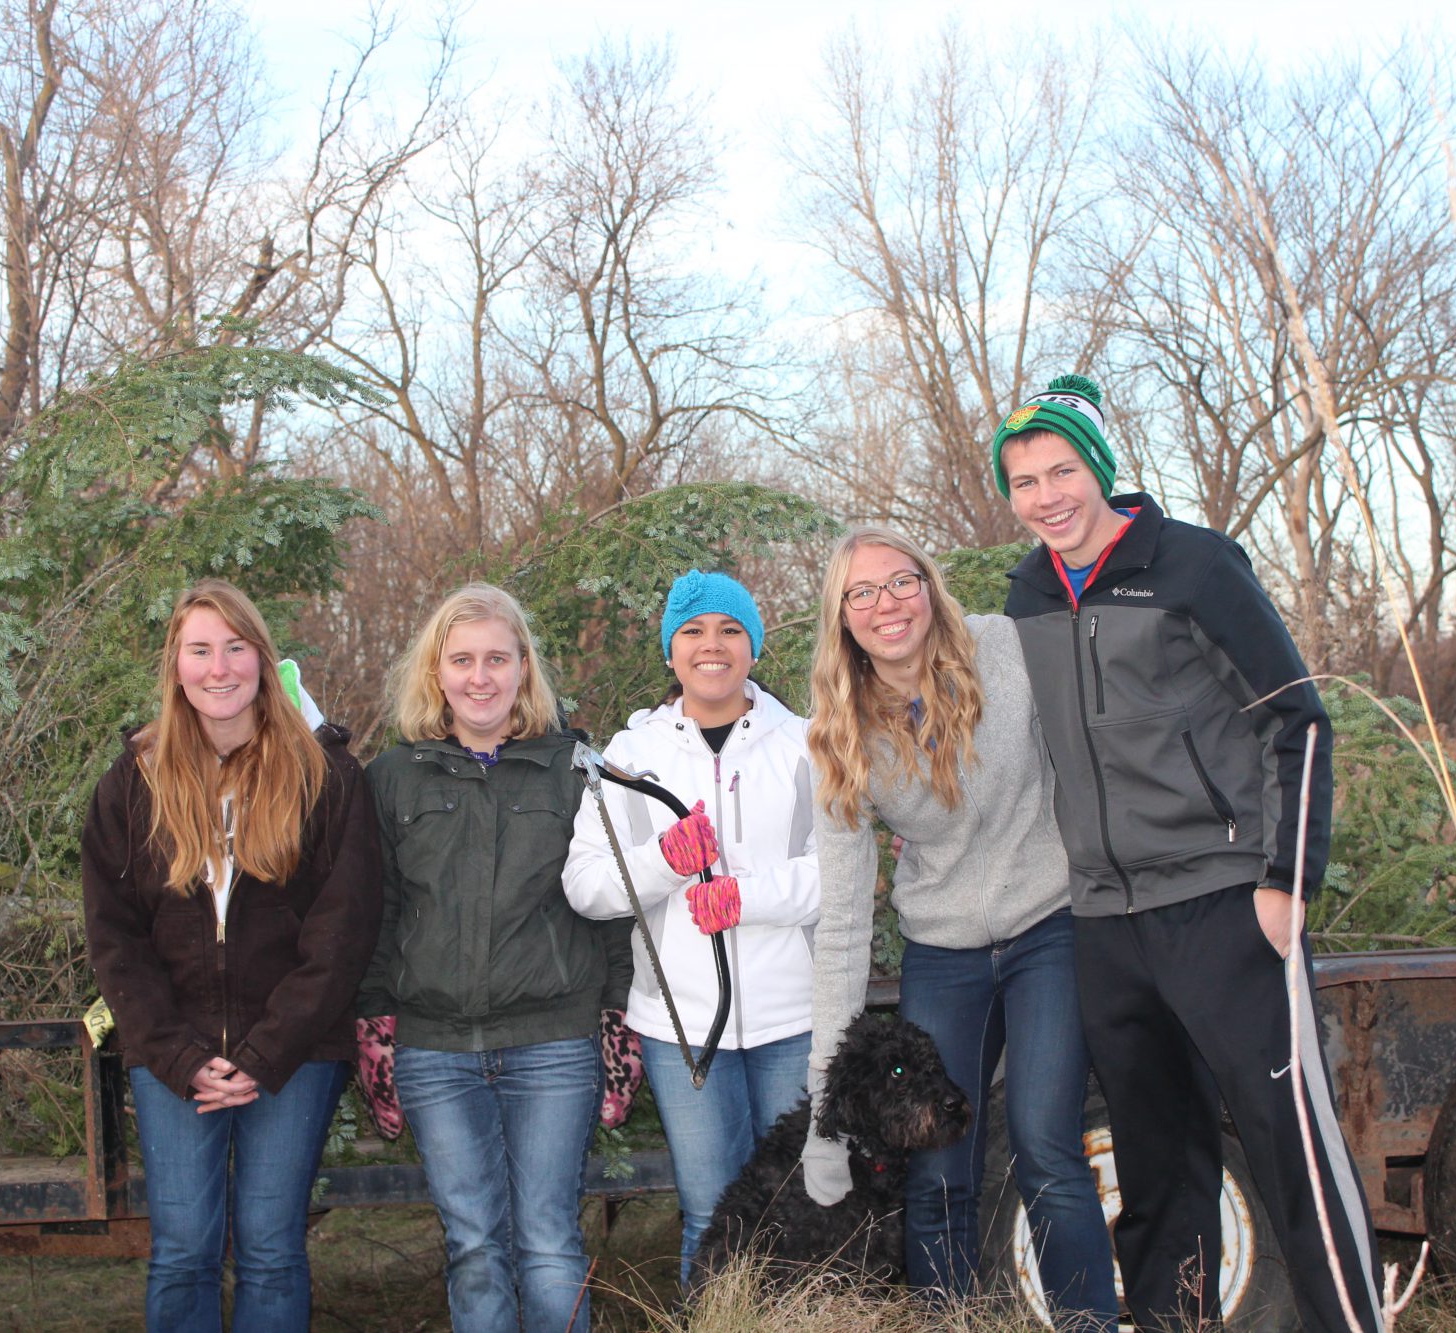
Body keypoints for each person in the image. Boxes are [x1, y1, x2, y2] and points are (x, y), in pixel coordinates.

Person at [993, 374, 1382, 1333]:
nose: (1047, 496)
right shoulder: (1027, 593)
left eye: (1062, 470)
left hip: (1224, 904)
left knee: (1291, 1151)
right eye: (1025, 480)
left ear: (1101, 471)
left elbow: (1297, 722)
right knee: (1158, 1166)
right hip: (1106, 923)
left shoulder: (1195, 566)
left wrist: (1286, 879)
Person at [799, 526, 1118, 1325]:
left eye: (900, 581)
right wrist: (820, 1113)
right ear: (842, 616)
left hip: (1049, 924)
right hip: (943, 952)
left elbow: (1092, 753)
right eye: (861, 593)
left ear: (929, 583)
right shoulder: (841, 733)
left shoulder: (1002, 648)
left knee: (1045, 1145)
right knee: (937, 1170)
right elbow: (842, 921)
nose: (886, 604)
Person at [81, 579, 381, 1332]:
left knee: (272, 1247)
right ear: (176, 665)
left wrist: (264, 1051)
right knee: (182, 1248)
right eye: (201, 649)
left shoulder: (324, 777)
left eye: (236, 647)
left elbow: (341, 933)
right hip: (173, 1058)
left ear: (262, 657)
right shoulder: (133, 785)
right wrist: (178, 1056)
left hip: (294, 1054)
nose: (220, 668)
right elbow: (115, 940)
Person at [355, 583, 629, 1333]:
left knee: (548, 1241)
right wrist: (374, 1025)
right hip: (434, 1050)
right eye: (463, 659)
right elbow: (377, 912)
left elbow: (612, 907)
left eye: (497, 659)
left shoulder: (575, 768)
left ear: (523, 668)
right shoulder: (393, 777)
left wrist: (617, 1020)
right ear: (436, 672)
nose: (481, 676)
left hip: (553, 1042)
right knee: (473, 1243)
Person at [563, 569, 821, 1287]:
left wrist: (745, 896)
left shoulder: (806, 745)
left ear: (755, 646)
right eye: (694, 631)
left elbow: (844, 875)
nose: (713, 646)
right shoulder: (630, 757)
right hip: (680, 1030)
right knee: (711, 1212)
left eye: (731, 630)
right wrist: (662, 864)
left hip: (792, 1019)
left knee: (795, 1207)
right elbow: (585, 885)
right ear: (670, 652)